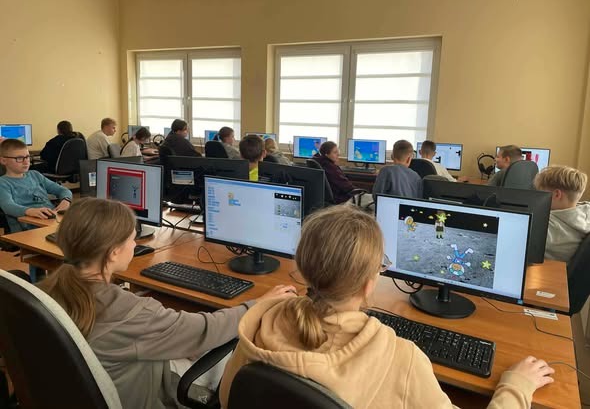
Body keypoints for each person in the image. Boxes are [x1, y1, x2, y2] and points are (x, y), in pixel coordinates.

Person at [219, 204, 555, 408]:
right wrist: (516, 386)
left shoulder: (260, 323)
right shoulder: (401, 358)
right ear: (370, 284)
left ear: (304, 267)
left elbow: (226, 397)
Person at [37, 197, 296, 408]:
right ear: (114, 252)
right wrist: (258, 304)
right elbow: (206, 330)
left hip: (76, 394)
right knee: (235, 350)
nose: (134, 244)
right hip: (138, 400)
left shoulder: (48, 288)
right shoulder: (131, 313)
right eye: (131, 239)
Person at [0, 139, 72, 233]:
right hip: (27, 228)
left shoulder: (35, 175)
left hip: (50, 221)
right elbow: (8, 206)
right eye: (19, 158)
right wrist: (30, 211)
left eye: (27, 157)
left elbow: (63, 190)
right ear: (3, 160)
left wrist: (66, 200)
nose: (26, 162)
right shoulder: (3, 183)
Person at [534, 165, 590, 261]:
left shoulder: (546, 228)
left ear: (557, 194)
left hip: (550, 269)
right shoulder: (586, 210)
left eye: (541, 193)